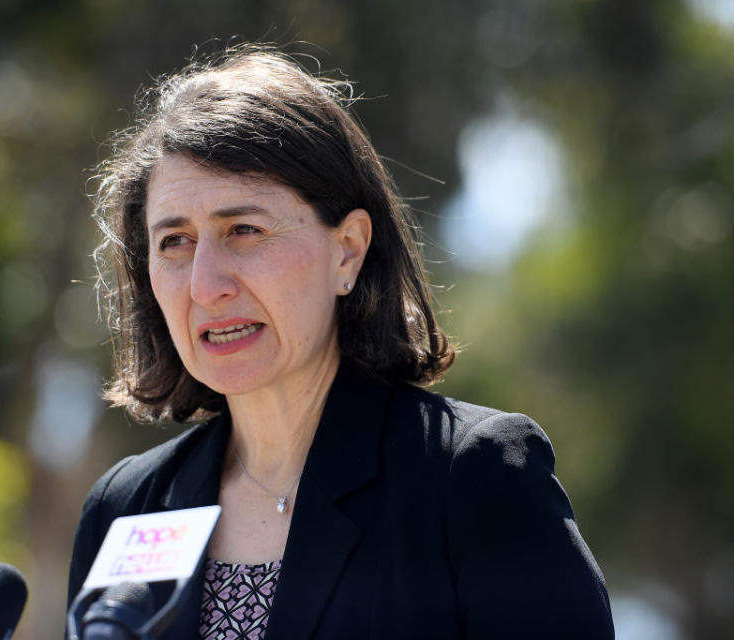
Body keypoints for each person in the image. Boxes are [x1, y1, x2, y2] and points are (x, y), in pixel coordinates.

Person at [67, 45, 614, 639]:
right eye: (175, 242)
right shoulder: (125, 510)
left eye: (244, 230)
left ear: (347, 250)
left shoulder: (473, 480)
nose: (205, 286)